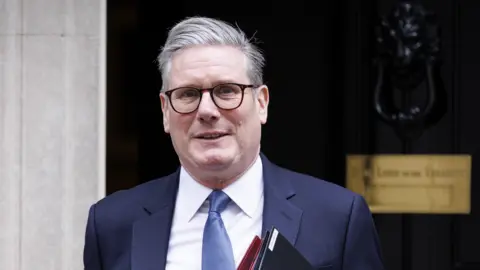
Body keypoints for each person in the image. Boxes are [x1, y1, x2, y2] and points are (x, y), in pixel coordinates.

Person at [83, 16, 385, 270]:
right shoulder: (112, 224)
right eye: (187, 94)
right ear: (165, 111)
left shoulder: (337, 217)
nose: (207, 111)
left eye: (227, 90)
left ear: (262, 103)